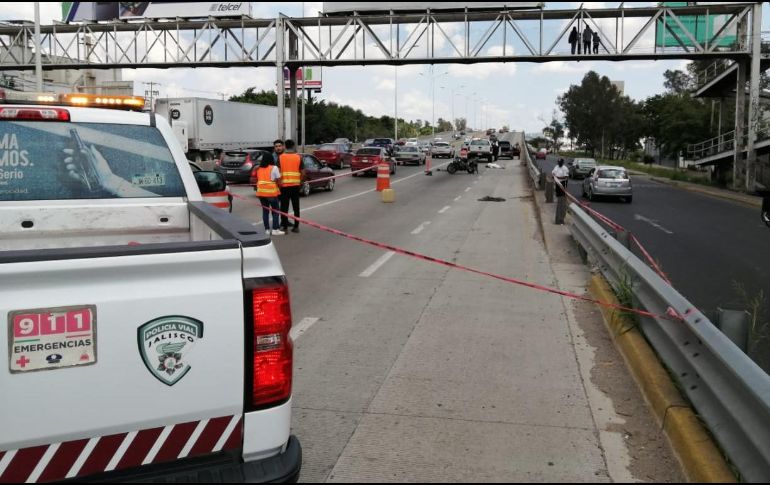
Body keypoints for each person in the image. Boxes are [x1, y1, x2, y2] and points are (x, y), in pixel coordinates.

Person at [278, 139, 305, 233]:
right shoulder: (298, 157)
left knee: (284, 207)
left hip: (284, 186)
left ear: (285, 146)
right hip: (295, 186)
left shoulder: (281, 157)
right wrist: (300, 182)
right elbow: (303, 172)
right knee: (296, 207)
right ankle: (296, 227)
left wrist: (279, 184)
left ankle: (284, 227)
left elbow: (278, 172)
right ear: (293, 146)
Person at [255, 154, 284, 235]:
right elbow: (279, 181)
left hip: (261, 193)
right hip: (271, 193)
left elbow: (259, 179)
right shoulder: (274, 168)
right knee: (275, 211)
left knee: (265, 211)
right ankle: (275, 229)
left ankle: (267, 230)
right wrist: (278, 184)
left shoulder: (258, 168)